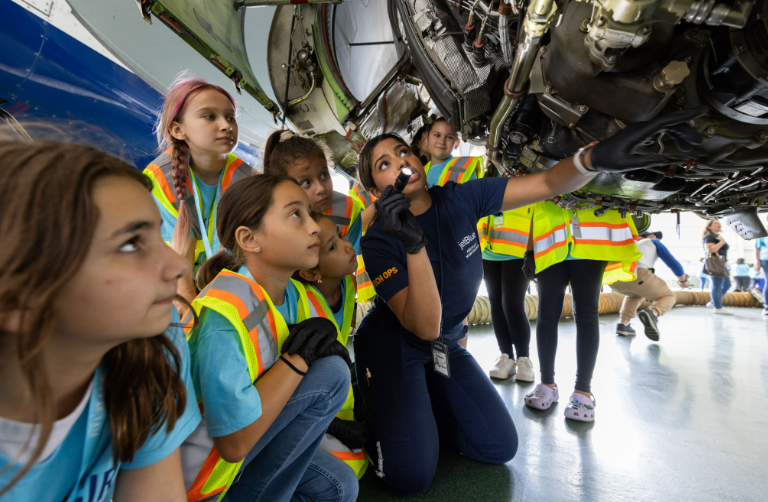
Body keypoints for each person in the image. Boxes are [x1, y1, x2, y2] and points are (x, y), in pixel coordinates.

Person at [352, 106, 704, 494]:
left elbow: (547, 183)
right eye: (385, 163)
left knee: (497, 446)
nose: (402, 162)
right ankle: (382, 414)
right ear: (375, 190)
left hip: (444, 345)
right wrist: (413, 245)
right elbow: (422, 325)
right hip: (394, 345)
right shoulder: (380, 240)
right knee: (411, 477)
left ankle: (421, 417)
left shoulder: (460, 199)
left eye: (403, 151)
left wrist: (593, 159)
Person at [0, 141, 201, 500]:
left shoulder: (153, 352)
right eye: (129, 244)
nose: (180, 266)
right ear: (16, 300)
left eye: (157, 235)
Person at [180, 174, 357, 502]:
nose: (315, 226)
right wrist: (297, 361)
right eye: (295, 215)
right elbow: (232, 445)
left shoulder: (295, 295)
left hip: (252, 448)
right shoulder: (223, 316)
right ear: (249, 239)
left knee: (340, 486)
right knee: (332, 373)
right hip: (208, 479)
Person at [143, 75, 255, 305]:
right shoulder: (161, 181)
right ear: (178, 129)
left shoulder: (248, 179)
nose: (226, 125)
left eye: (230, 117)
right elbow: (177, 271)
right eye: (209, 116)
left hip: (221, 277)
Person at [525, 201, 641, 421]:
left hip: (591, 243)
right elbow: (536, 206)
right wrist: (529, 251)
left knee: (587, 314)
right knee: (546, 314)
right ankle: (547, 384)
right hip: (552, 243)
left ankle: (583, 391)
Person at [295, 214, 371, 479]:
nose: (348, 245)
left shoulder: (347, 283)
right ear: (312, 273)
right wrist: (335, 426)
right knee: (348, 472)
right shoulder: (300, 302)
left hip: (338, 394)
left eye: (340, 236)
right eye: (332, 247)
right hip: (310, 406)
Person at [262, 130, 375, 303]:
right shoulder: (271, 221)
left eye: (324, 175)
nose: (321, 188)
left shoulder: (349, 209)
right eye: (306, 182)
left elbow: (348, 258)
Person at [610, 231, 689, 341]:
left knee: (635, 295)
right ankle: (653, 313)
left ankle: (623, 325)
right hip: (637, 274)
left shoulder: (629, 243)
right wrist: (683, 280)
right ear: (651, 236)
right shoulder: (652, 242)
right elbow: (673, 264)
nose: (659, 241)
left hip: (612, 279)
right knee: (669, 296)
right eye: (658, 238)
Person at [423, 117, 484, 187]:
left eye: (449, 137)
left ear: (457, 143)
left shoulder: (463, 167)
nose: (442, 141)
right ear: (427, 138)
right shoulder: (421, 171)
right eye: (437, 135)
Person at [703, 219, 732, 315]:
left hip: (722, 263)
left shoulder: (717, 236)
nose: (718, 225)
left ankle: (714, 301)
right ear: (709, 226)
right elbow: (709, 250)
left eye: (719, 223)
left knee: (727, 284)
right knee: (717, 285)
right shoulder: (709, 236)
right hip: (715, 263)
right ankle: (718, 307)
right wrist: (721, 243)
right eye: (715, 223)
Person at [753, 215, 768, 315]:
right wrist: (757, 261)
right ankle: (767, 306)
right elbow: (757, 247)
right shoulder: (764, 232)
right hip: (766, 259)